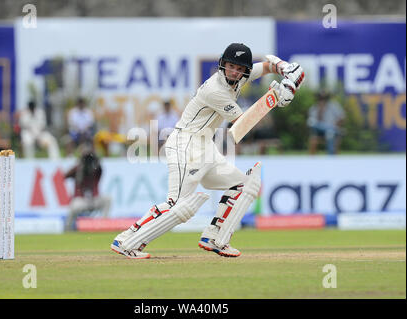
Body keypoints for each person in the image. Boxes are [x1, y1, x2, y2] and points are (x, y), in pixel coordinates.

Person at [111, 43, 304, 259]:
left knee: (244, 185)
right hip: (186, 145)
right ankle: (127, 240)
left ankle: (215, 237)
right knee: (179, 206)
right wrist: (275, 98)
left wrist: (284, 67)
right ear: (222, 64)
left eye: (240, 69)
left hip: (205, 147)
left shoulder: (240, 77)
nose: (235, 72)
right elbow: (242, 127)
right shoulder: (216, 90)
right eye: (231, 66)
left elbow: (267, 67)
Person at [64, 146, 112, 231]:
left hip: (95, 199)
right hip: (81, 200)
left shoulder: (96, 169)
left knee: (108, 199)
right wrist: (79, 164)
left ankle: (104, 225)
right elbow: (65, 176)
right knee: (73, 206)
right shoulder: (78, 169)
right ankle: (68, 229)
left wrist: (94, 158)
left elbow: (100, 168)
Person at [307, 90, 345, 155]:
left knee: (330, 134)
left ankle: (330, 158)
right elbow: (312, 123)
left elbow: (342, 117)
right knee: (313, 124)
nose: (322, 100)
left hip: (334, 129)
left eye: (324, 98)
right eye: (320, 98)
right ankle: (330, 129)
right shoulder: (314, 108)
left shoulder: (334, 106)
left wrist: (336, 125)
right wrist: (320, 111)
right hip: (319, 132)